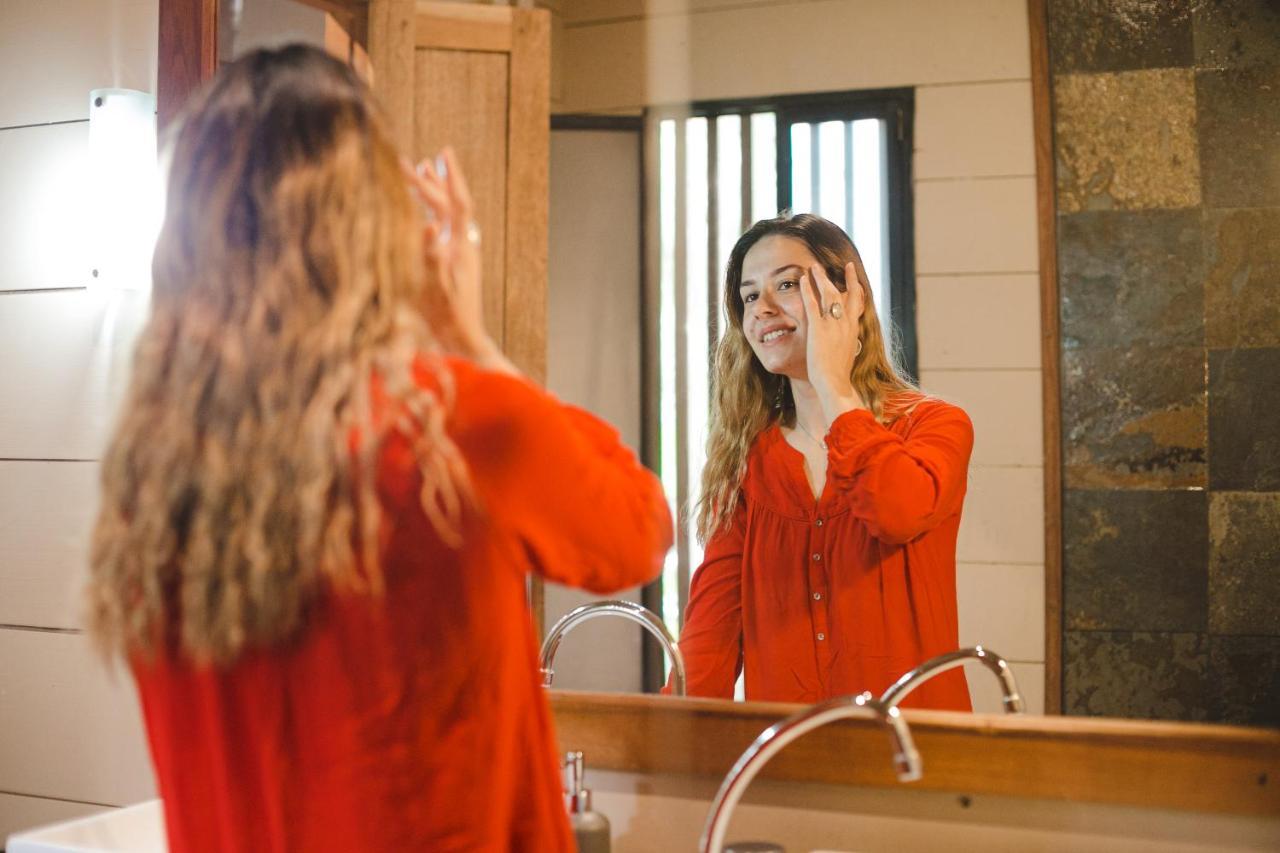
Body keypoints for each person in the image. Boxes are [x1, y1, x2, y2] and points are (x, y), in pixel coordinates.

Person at [85, 45, 672, 852]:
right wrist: (467, 335)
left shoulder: (157, 486)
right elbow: (635, 529)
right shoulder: (454, 427)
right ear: (374, 229)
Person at [673, 213, 972, 710]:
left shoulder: (934, 425)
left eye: (786, 284)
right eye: (749, 296)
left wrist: (833, 386)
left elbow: (896, 512)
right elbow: (711, 636)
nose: (762, 310)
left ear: (848, 298)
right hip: (792, 756)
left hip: (917, 752)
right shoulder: (748, 460)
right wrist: (667, 734)